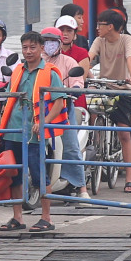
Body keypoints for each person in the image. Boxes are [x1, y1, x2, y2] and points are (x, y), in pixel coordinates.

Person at [0, 30, 65, 232]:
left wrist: (43, 122)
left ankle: (47, 218)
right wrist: (1, 129)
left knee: (39, 176)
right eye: (25, 48)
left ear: (41, 48)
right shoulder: (18, 70)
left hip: (34, 134)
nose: (28, 52)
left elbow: (59, 103)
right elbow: (9, 102)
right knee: (14, 175)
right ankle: (18, 217)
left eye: (32, 47)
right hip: (13, 130)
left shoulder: (50, 73)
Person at [88, 8, 131, 193]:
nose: (97, 28)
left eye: (100, 24)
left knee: (124, 132)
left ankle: (129, 178)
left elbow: (130, 59)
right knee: (91, 118)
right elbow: (88, 58)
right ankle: (94, 152)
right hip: (104, 87)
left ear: (110, 26)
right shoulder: (99, 41)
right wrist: (80, 73)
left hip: (122, 89)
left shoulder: (125, 40)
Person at [49, 16, 90, 197]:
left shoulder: (69, 61)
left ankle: (82, 188)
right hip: (38, 108)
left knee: (71, 146)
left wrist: (73, 89)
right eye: (46, 42)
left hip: (64, 107)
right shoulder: (36, 61)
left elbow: (77, 82)